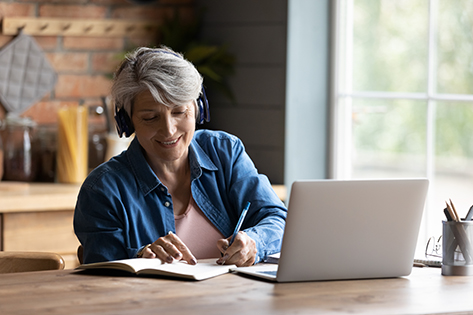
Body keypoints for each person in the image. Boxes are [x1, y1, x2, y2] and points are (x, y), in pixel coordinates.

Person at [73, 46, 287, 267]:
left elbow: (277, 218)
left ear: (197, 108)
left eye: (179, 112)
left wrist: (255, 242)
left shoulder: (224, 152)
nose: (169, 130)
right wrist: (140, 257)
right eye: (150, 118)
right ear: (128, 122)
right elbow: (102, 273)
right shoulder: (103, 189)